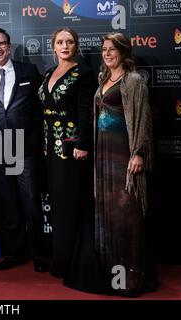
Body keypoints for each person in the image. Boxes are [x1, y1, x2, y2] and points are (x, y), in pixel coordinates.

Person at [37, 27, 107, 293]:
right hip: (50, 150)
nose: (65, 46)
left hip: (71, 150)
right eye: (60, 42)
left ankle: (74, 261)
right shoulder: (47, 74)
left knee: (71, 205)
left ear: (76, 46)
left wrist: (82, 144)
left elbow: (86, 111)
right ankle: (62, 259)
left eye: (70, 42)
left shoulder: (83, 73)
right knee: (59, 207)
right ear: (53, 46)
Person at [94, 32, 157, 297]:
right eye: (105, 49)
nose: (108, 54)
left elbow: (142, 120)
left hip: (124, 155)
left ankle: (133, 276)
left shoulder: (133, 81)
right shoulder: (102, 80)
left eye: (113, 49)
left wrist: (139, 153)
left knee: (128, 214)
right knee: (109, 215)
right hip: (103, 155)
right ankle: (112, 273)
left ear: (123, 52)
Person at [0, 27, 47, 272]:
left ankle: (40, 254)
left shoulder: (28, 71)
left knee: (31, 201)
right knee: (6, 203)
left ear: (9, 46)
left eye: (1, 44)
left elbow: (41, 109)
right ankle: (13, 253)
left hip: (25, 147)